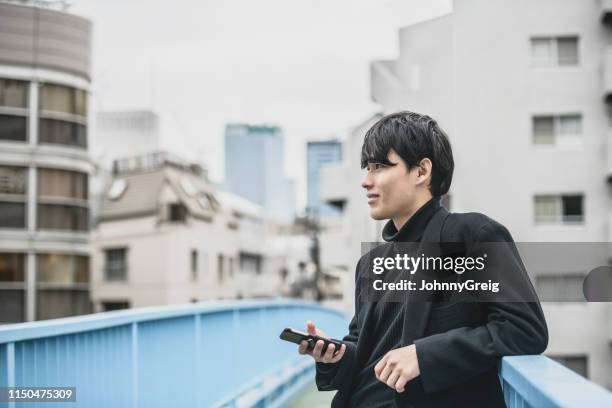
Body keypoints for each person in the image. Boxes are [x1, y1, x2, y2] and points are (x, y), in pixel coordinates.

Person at [297, 111, 548, 407]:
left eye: (379, 166)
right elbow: (364, 354)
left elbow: (524, 331)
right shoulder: (371, 264)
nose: (366, 181)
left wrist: (424, 355)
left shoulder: (471, 235)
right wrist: (334, 355)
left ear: (421, 172)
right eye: (367, 168)